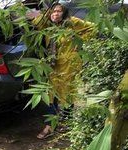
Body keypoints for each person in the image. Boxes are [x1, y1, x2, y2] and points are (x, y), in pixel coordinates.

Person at [31, 2, 94, 139]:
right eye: (53, 11)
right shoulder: (48, 24)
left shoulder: (72, 22)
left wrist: (79, 41)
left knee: (66, 93)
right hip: (53, 64)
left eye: (59, 11)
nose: (55, 14)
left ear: (64, 12)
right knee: (51, 93)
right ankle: (50, 126)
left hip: (69, 63)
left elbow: (93, 28)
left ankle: (65, 123)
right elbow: (36, 22)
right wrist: (44, 14)